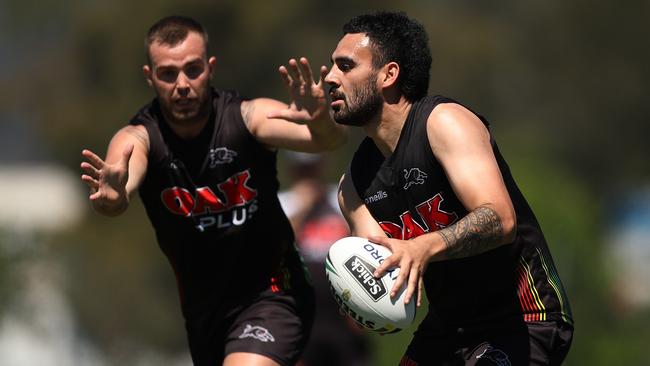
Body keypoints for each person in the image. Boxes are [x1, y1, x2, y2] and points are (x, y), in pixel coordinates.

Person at [80, 15, 346, 366]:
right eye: (168, 73)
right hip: (205, 315)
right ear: (150, 77)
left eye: (193, 69)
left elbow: (325, 142)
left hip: (274, 294)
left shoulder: (247, 118)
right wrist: (115, 197)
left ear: (211, 67)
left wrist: (320, 117)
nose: (182, 84)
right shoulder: (140, 138)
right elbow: (121, 179)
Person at [326, 12, 574, 365]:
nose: (330, 78)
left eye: (345, 66)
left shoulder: (444, 123)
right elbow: (382, 277)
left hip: (522, 316)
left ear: (388, 75)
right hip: (449, 327)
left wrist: (422, 247)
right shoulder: (353, 185)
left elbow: (500, 219)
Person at [278, 152, 371, 366]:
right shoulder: (283, 203)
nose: (308, 174)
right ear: (292, 170)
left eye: (312, 167)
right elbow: (276, 248)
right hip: (300, 315)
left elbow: (362, 243)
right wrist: (302, 207)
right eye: (303, 169)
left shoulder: (339, 198)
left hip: (343, 314)